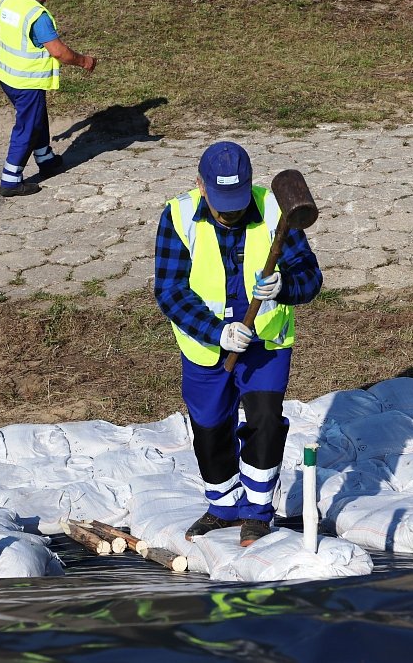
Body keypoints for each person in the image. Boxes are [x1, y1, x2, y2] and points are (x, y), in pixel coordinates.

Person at [153, 141, 323, 547]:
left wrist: (285, 287)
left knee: (264, 422)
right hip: (206, 346)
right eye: (220, 201)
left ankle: (257, 514)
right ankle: (224, 507)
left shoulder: (274, 211)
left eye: (237, 201)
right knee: (210, 428)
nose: (230, 212)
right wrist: (217, 331)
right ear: (201, 185)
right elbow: (170, 290)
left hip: (266, 342)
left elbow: (311, 279)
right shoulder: (178, 217)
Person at [0, 0, 97, 197]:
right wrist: (85, 61)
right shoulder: (37, 16)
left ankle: (45, 158)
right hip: (28, 82)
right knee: (27, 127)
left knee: (36, 115)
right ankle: (11, 180)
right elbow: (59, 52)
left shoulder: (6, 2)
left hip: (8, 78)